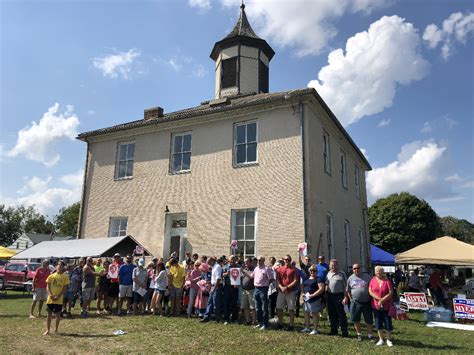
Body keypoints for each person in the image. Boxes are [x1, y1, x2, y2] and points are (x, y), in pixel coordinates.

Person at [243, 255, 274, 330]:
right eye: (257, 260)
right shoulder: (256, 268)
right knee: (257, 307)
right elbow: (251, 276)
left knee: (264, 307)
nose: (258, 261)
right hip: (256, 288)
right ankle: (260, 323)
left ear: (263, 260)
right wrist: (243, 271)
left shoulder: (267, 269)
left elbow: (271, 279)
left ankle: (265, 324)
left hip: (263, 289)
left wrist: (265, 284)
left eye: (260, 260)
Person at [346, 263, 374, 341]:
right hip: (355, 302)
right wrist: (351, 299)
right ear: (352, 269)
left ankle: (370, 335)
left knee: (368, 319)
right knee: (356, 319)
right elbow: (348, 290)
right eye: (354, 268)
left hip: (367, 302)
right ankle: (359, 334)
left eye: (358, 268)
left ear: (360, 268)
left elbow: (372, 288)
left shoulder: (367, 277)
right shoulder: (350, 278)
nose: (356, 270)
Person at [368, 265, 394, 347]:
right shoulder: (372, 280)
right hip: (376, 306)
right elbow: (370, 291)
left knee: (387, 323)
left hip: (386, 305)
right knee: (378, 323)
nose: (378, 272)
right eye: (377, 271)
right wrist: (378, 298)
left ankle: (388, 339)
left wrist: (382, 300)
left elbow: (391, 292)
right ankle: (381, 339)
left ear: (383, 272)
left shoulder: (387, 281)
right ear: (375, 272)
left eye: (380, 271)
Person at [44, 260, 69, 335]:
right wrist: (50, 295)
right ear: (56, 266)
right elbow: (47, 286)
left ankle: (56, 329)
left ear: (63, 267)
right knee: (49, 315)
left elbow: (64, 288)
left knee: (58, 315)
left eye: (61, 265)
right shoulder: (51, 276)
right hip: (50, 299)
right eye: (58, 265)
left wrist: (58, 296)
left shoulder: (65, 276)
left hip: (59, 299)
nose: (59, 266)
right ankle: (48, 330)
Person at [326, 259, 349, 337]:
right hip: (330, 296)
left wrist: (345, 297)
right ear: (329, 266)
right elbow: (326, 284)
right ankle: (333, 330)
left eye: (334, 265)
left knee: (341, 314)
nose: (333, 267)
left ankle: (344, 331)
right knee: (331, 314)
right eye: (331, 265)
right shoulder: (328, 274)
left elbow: (346, 287)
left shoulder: (341, 274)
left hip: (339, 296)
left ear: (337, 265)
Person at [301, 265, 325, 335]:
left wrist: (313, 295)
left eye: (314, 271)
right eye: (311, 270)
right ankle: (307, 328)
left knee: (314, 314)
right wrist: (302, 293)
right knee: (306, 313)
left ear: (316, 272)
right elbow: (302, 286)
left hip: (314, 299)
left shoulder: (319, 279)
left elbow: (321, 289)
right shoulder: (306, 278)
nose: (312, 272)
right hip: (306, 299)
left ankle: (315, 329)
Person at [276, 255, 298, 331]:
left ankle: (291, 325)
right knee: (279, 307)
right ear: (284, 260)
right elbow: (277, 279)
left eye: (288, 260)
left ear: (290, 260)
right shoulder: (279, 269)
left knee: (291, 308)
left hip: (290, 291)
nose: (287, 261)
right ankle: (280, 324)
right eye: (286, 259)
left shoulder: (293, 269)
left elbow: (295, 280)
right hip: (281, 291)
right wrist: (281, 287)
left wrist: (287, 287)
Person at [201, 257, 223, 323]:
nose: (209, 264)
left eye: (209, 263)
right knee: (209, 302)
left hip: (217, 287)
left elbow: (218, 279)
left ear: (212, 261)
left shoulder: (217, 267)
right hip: (213, 286)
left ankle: (217, 318)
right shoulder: (214, 267)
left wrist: (214, 288)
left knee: (216, 303)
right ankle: (206, 317)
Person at [223, 255, 240, 324]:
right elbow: (222, 275)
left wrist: (238, 283)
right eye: (231, 259)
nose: (232, 260)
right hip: (227, 287)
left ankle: (234, 319)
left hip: (235, 287)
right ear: (229, 260)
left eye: (234, 259)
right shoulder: (225, 266)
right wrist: (227, 273)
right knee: (226, 303)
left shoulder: (238, 267)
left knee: (234, 303)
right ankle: (226, 319)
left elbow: (240, 277)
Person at [240, 257, 256, 325]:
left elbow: (251, 277)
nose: (245, 263)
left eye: (247, 262)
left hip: (251, 290)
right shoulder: (244, 269)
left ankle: (254, 321)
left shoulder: (254, 269)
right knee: (245, 306)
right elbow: (241, 278)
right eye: (245, 262)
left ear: (250, 262)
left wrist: (243, 271)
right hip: (244, 290)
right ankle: (248, 320)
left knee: (252, 306)